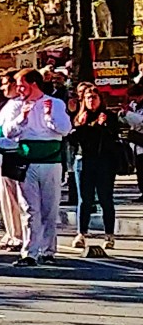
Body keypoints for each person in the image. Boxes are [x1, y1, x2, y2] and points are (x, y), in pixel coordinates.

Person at [0, 69, 73, 267]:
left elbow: (64, 129)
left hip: (51, 163)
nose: (19, 89)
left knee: (50, 207)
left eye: (22, 85)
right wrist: (22, 117)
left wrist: (48, 117)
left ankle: (48, 250)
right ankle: (29, 252)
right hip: (26, 161)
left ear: (34, 84)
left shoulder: (55, 103)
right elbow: (7, 132)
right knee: (29, 208)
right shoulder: (17, 105)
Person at [69, 87, 119, 250]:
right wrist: (80, 125)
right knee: (84, 199)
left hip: (104, 162)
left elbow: (113, 137)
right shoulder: (80, 117)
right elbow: (73, 140)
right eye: (88, 98)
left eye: (94, 97)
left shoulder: (108, 116)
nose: (91, 100)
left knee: (106, 198)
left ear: (100, 99)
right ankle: (81, 233)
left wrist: (101, 125)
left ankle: (109, 235)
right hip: (84, 161)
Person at [0, 70, 23, 252]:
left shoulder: (19, 105)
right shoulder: (9, 104)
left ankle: (18, 235)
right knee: (5, 196)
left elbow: (11, 131)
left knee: (14, 196)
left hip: (12, 151)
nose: (3, 87)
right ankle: (11, 231)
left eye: (6, 83)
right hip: (2, 151)